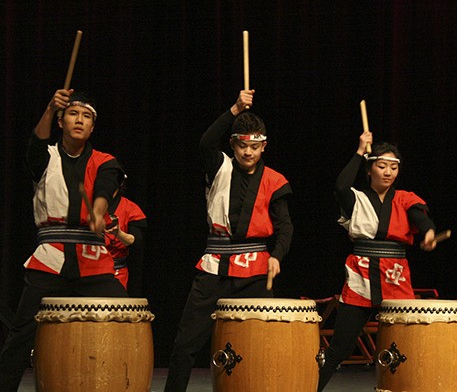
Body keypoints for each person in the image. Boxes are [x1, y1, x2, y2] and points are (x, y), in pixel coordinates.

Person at [164, 90, 293, 391]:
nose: (249, 152)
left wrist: (278, 255)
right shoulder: (219, 166)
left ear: (264, 146)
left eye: (255, 146)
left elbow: (285, 227)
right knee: (185, 344)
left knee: (263, 347)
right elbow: (205, 141)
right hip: (214, 268)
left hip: (256, 271)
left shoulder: (275, 180)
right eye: (243, 145)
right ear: (233, 144)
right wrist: (235, 108)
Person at [0, 89, 128, 390]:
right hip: (51, 256)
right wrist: (48, 108)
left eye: (86, 116)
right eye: (73, 114)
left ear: (93, 126)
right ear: (61, 121)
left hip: (92, 257)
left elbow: (104, 188)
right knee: (21, 335)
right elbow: (35, 145)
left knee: (126, 319)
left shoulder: (106, 161)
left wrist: (98, 212)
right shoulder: (46, 157)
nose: (79, 120)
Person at [318, 130, 440, 391]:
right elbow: (340, 187)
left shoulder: (406, 198)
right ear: (369, 168)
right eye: (382, 165)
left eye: (393, 167)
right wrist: (360, 150)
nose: (388, 172)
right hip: (361, 274)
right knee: (340, 346)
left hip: (395, 274)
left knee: (405, 345)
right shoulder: (358, 199)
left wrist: (429, 231)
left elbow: (421, 217)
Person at [104, 188, 147, 297]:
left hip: (116, 270)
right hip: (88, 267)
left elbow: (137, 241)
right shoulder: (87, 204)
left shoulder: (129, 208)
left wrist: (118, 234)